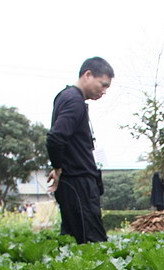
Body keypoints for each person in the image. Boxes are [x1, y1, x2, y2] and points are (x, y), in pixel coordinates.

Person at [46, 57, 113, 244]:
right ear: (88, 75)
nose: (104, 91)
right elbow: (55, 138)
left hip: (75, 182)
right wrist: (58, 167)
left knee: (74, 241)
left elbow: (63, 140)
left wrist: (60, 165)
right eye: (103, 84)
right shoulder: (74, 100)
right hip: (78, 182)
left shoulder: (65, 97)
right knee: (93, 243)